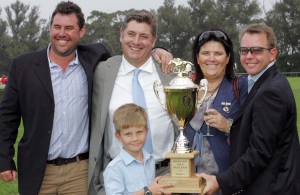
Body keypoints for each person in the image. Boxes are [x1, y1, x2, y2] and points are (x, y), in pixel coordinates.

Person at [0, 1, 172, 195]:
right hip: (39, 169)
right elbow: (7, 117)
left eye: (69, 28)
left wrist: (157, 51)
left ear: (81, 32)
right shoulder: (23, 66)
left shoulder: (94, 59)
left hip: (79, 170)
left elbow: (136, 51)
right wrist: (4, 159)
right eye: (57, 27)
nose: (62, 33)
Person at [199, 24, 300, 195]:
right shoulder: (262, 82)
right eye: (245, 50)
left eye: (257, 50)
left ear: (272, 54)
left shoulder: (270, 92)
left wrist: (219, 181)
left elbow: (258, 154)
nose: (249, 56)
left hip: (272, 188)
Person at [89, 9, 178, 195]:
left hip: (167, 174)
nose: (136, 41)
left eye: (144, 36)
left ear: (153, 41)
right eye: (131, 34)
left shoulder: (170, 72)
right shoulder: (102, 72)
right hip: (120, 175)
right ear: (121, 35)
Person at [183, 29, 247, 194]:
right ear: (197, 58)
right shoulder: (184, 88)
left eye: (218, 53)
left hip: (225, 182)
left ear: (227, 58)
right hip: (187, 181)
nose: (211, 58)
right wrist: (157, 50)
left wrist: (228, 126)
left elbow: (255, 134)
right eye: (205, 53)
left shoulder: (240, 87)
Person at [103, 103, 173, 195]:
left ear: (146, 132)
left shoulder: (150, 160)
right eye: (128, 134)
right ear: (119, 136)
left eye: (139, 132)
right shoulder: (114, 169)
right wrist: (147, 191)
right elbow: (150, 190)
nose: (135, 138)